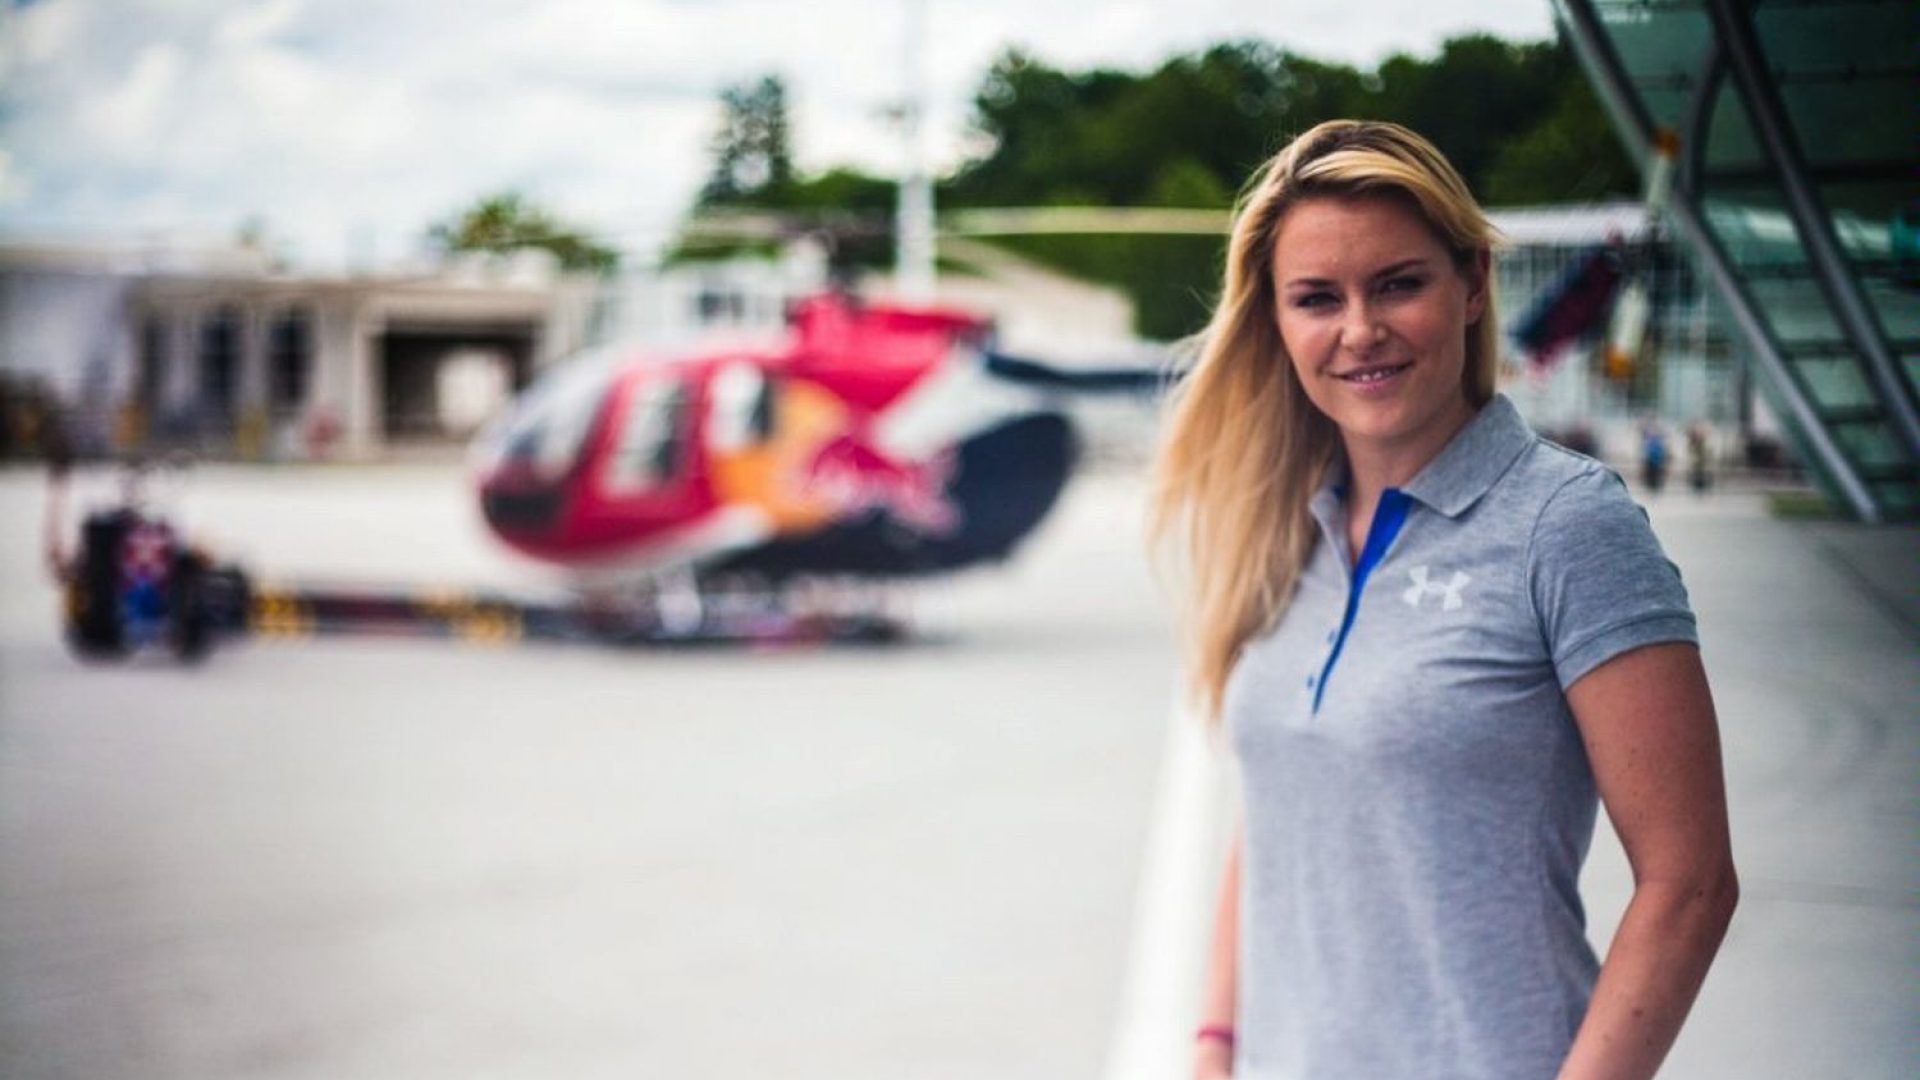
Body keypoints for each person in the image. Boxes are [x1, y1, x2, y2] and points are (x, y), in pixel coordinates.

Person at [1149, 120, 1736, 1080]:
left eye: (1397, 283)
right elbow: (1289, 809)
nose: (1359, 330)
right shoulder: (1288, 524)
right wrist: (1214, 1049)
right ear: (1277, 321)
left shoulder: (1566, 526)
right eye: (1316, 299)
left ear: (1470, 285)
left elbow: (1691, 884)